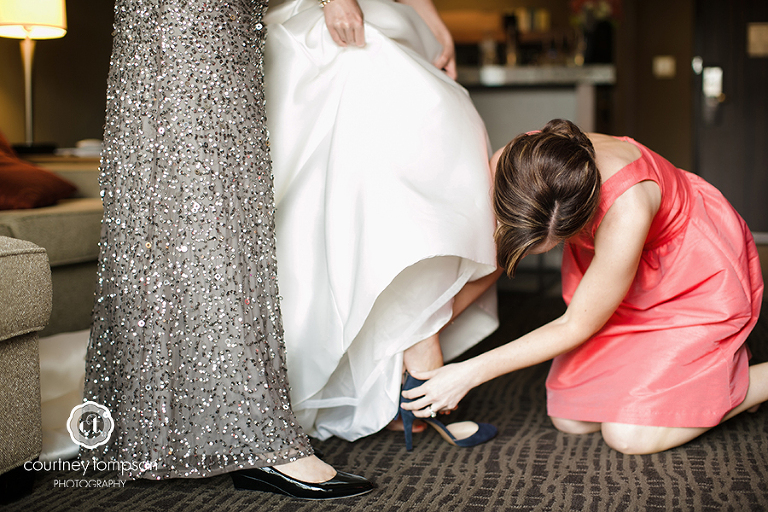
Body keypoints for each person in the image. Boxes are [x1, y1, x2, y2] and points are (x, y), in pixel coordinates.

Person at [82, 0, 372, 499]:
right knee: (208, 207)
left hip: (214, 17)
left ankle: (149, 430)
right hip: (192, 16)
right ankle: (260, 440)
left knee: (197, 204)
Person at [402, 119, 767, 455]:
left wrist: (467, 373)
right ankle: (689, 380)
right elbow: (503, 256)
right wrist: (428, 325)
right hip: (618, 274)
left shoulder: (628, 206)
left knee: (628, 436)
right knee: (572, 419)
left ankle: (748, 382)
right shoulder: (515, 164)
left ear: (581, 220)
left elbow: (576, 324)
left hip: (687, 275)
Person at [263, 0, 501, 446]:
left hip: (384, 11)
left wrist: (434, 23)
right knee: (363, 166)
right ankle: (411, 353)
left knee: (441, 131)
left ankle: (404, 355)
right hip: (320, 15)